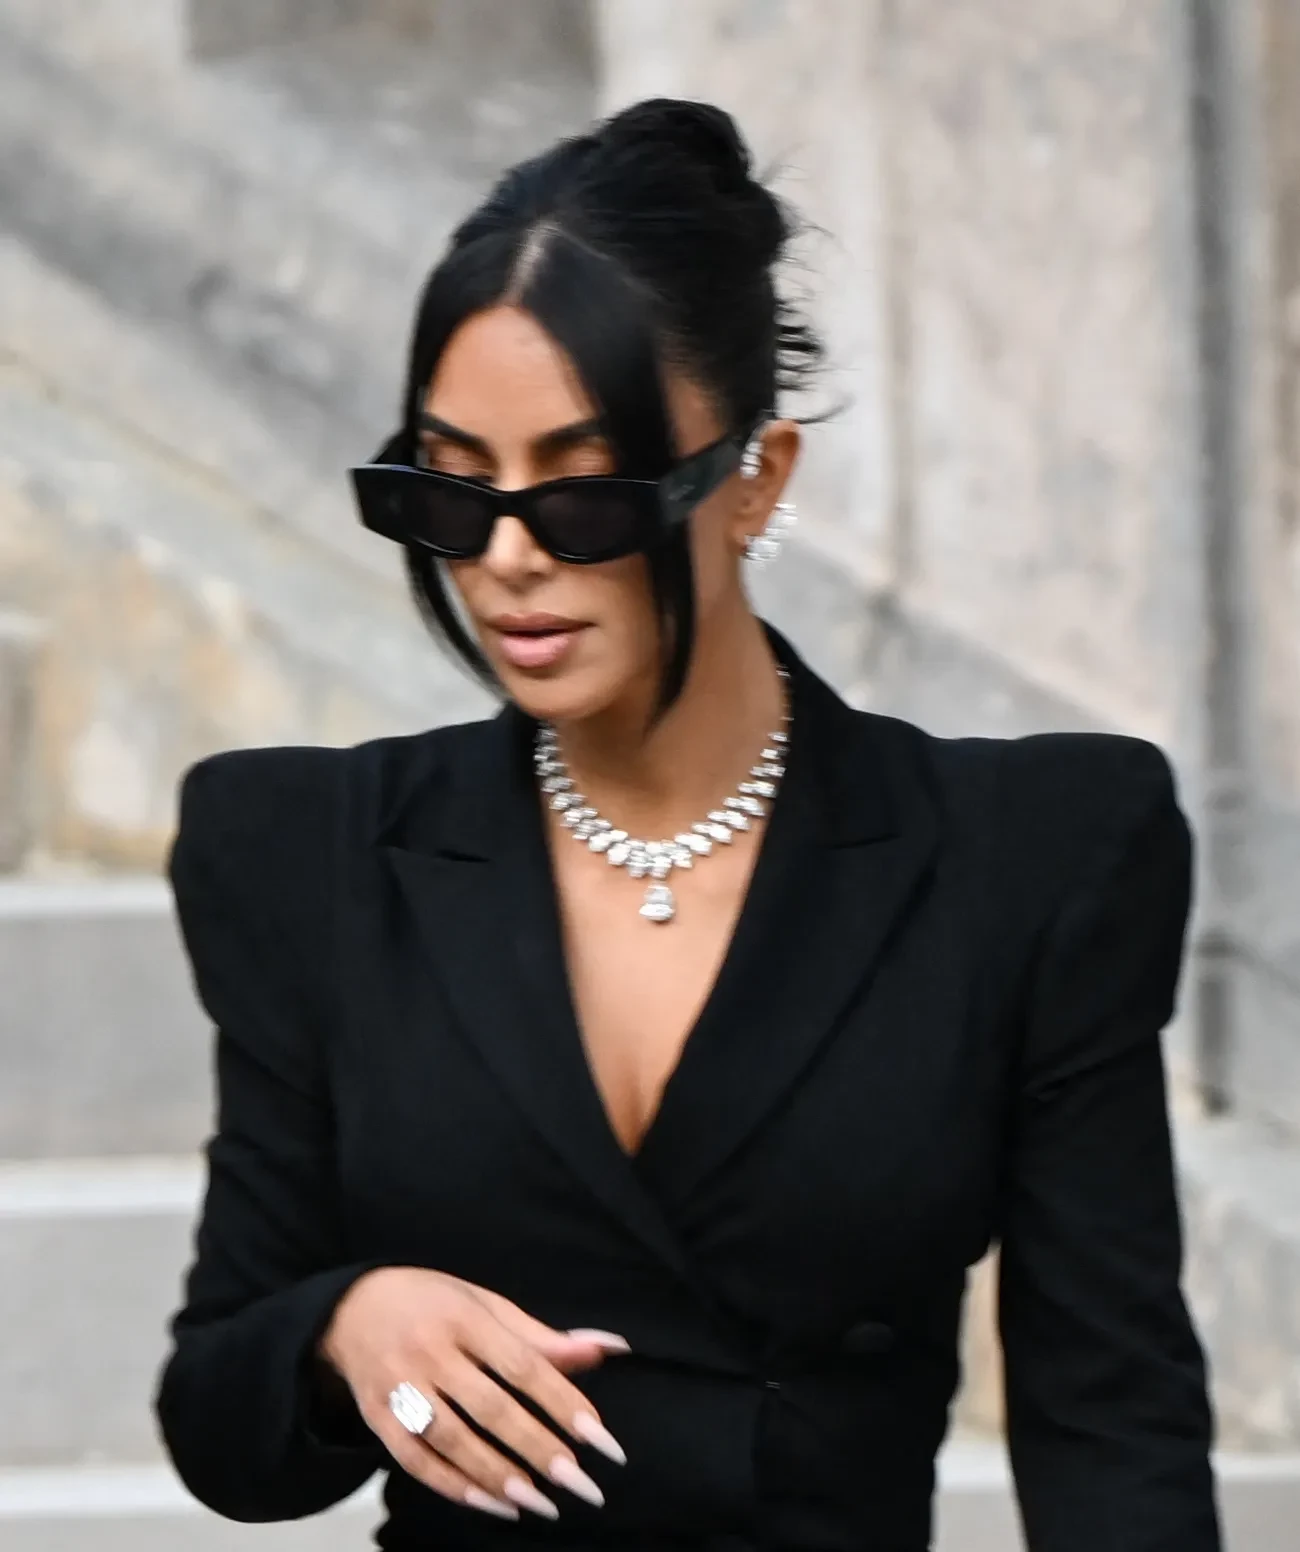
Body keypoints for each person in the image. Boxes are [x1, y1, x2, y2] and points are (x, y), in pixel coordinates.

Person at [153, 96, 1222, 1552]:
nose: (508, 559)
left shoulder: (1027, 857)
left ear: (754, 480)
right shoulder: (311, 851)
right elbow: (223, 1426)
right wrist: (347, 1324)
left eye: (583, 497)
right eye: (451, 494)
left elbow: (1112, 1424)